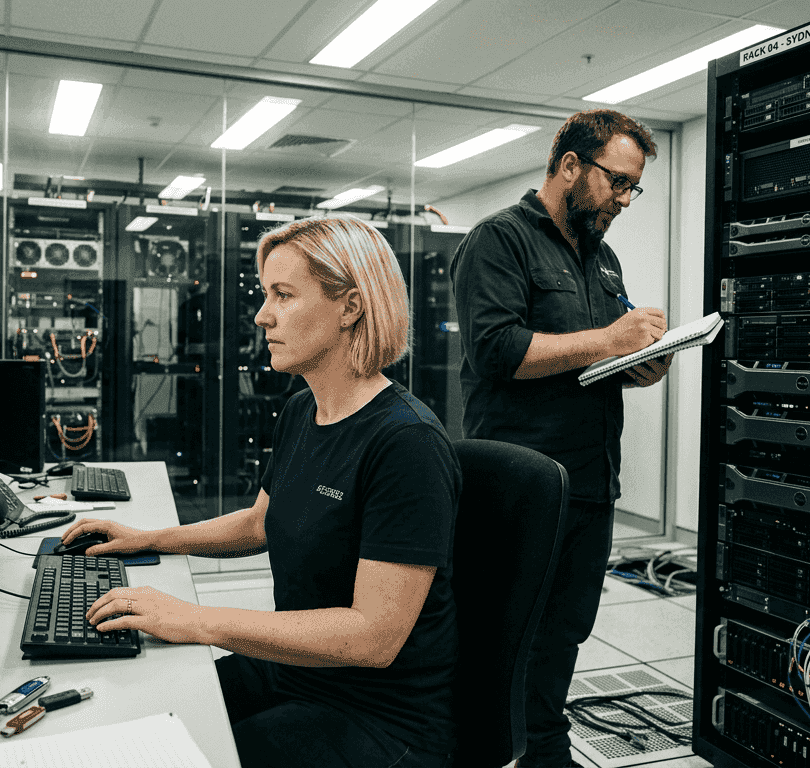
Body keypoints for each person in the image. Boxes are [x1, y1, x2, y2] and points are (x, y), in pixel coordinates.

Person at [61, 216, 461, 768]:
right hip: (295, 672)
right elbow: (258, 524)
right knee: (136, 714)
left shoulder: (407, 442)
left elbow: (373, 636)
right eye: (266, 293)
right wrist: (147, 538)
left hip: (379, 716)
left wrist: (194, 619)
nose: (261, 314)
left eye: (283, 295)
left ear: (350, 307)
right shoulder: (303, 409)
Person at [449, 109, 668, 768]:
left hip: (591, 479)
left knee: (565, 629)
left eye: (633, 187)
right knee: (504, 632)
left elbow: (595, 357)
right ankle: (488, 750)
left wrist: (642, 362)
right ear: (570, 165)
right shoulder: (498, 241)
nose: (624, 199)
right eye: (617, 181)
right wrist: (609, 340)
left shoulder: (603, 259)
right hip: (520, 485)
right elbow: (496, 350)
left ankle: (544, 749)